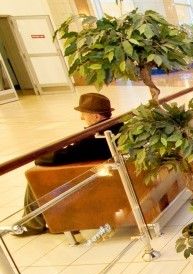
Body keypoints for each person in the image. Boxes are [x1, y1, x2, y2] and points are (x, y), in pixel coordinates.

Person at [17, 94, 120, 236]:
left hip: (90, 180)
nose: (82, 117)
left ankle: (32, 225)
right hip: (105, 175)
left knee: (36, 176)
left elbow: (59, 158)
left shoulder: (95, 137)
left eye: (84, 114)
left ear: (96, 116)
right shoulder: (117, 127)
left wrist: (39, 157)